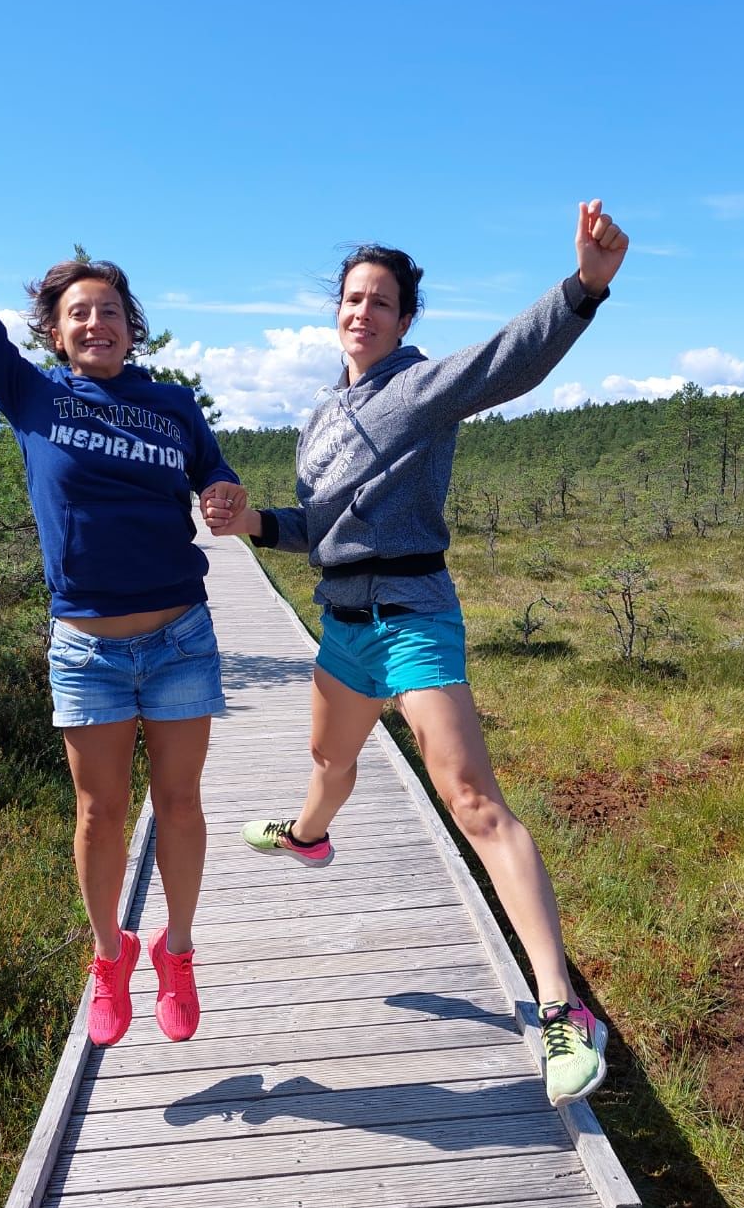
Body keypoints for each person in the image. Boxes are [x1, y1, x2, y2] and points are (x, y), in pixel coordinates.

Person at [205, 201, 628, 1105]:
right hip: (345, 624)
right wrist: (255, 524)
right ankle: (307, 837)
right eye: (352, 300)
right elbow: (320, 527)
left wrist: (584, 288)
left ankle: (562, 1011)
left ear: (404, 319)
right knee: (328, 760)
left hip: (412, 617)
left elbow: (508, 360)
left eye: (381, 302)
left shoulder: (423, 387)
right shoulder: (322, 413)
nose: (362, 312)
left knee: (473, 800)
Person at [0, 115, 247, 1047]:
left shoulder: (171, 403)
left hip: (180, 636)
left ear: (131, 325)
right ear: (53, 330)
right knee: (99, 810)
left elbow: (213, 476)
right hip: (86, 645)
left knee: (185, 805)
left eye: (110, 310)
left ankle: (180, 951)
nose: (96, 322)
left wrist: (226, 493)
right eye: (78, 312)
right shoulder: (29, 393)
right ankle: (110, 953)